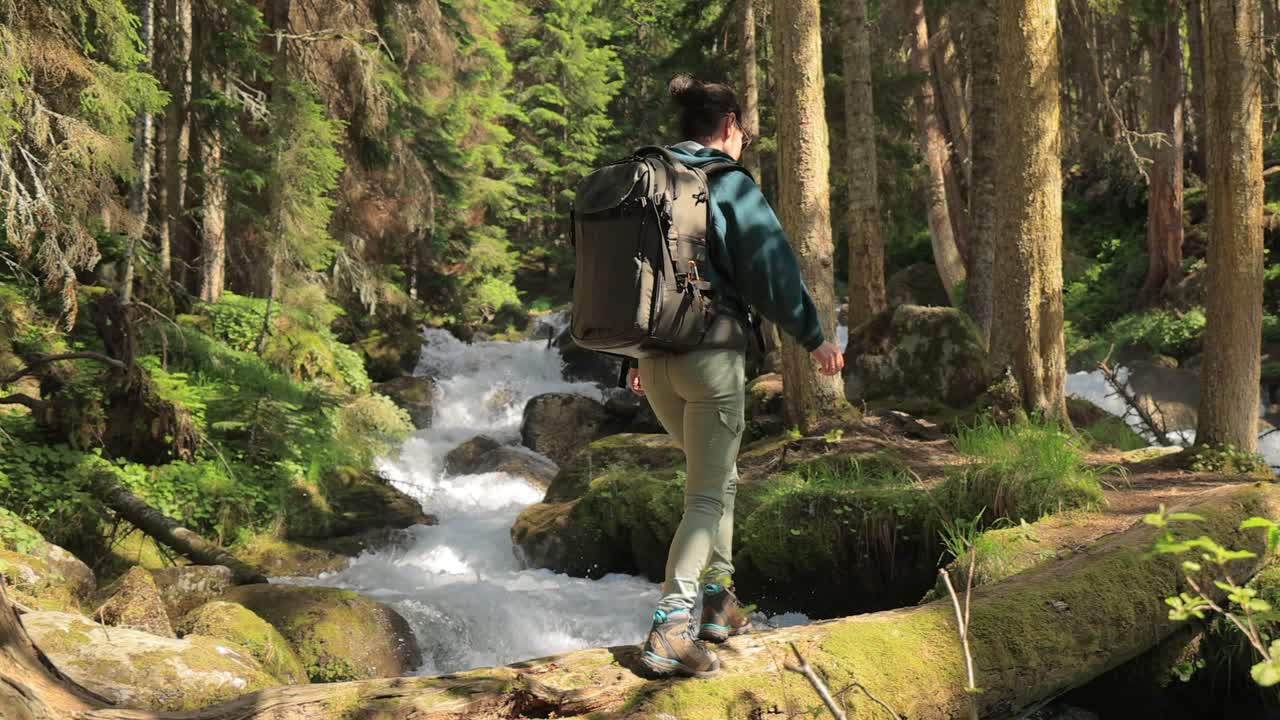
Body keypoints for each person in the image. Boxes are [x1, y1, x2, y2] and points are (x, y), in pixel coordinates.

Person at [634, 74, 844, 679]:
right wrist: (814, 336)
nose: (745, 141)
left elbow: (635, 280)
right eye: (744, 132)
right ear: (729, 126)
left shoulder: (650, 181)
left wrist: (630, 360)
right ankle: (671, 626)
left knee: (716, 478)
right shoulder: (726, 183)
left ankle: (719, 603)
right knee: (705, 493)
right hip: (710, 356)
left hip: (653, 358)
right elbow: (770, 269)